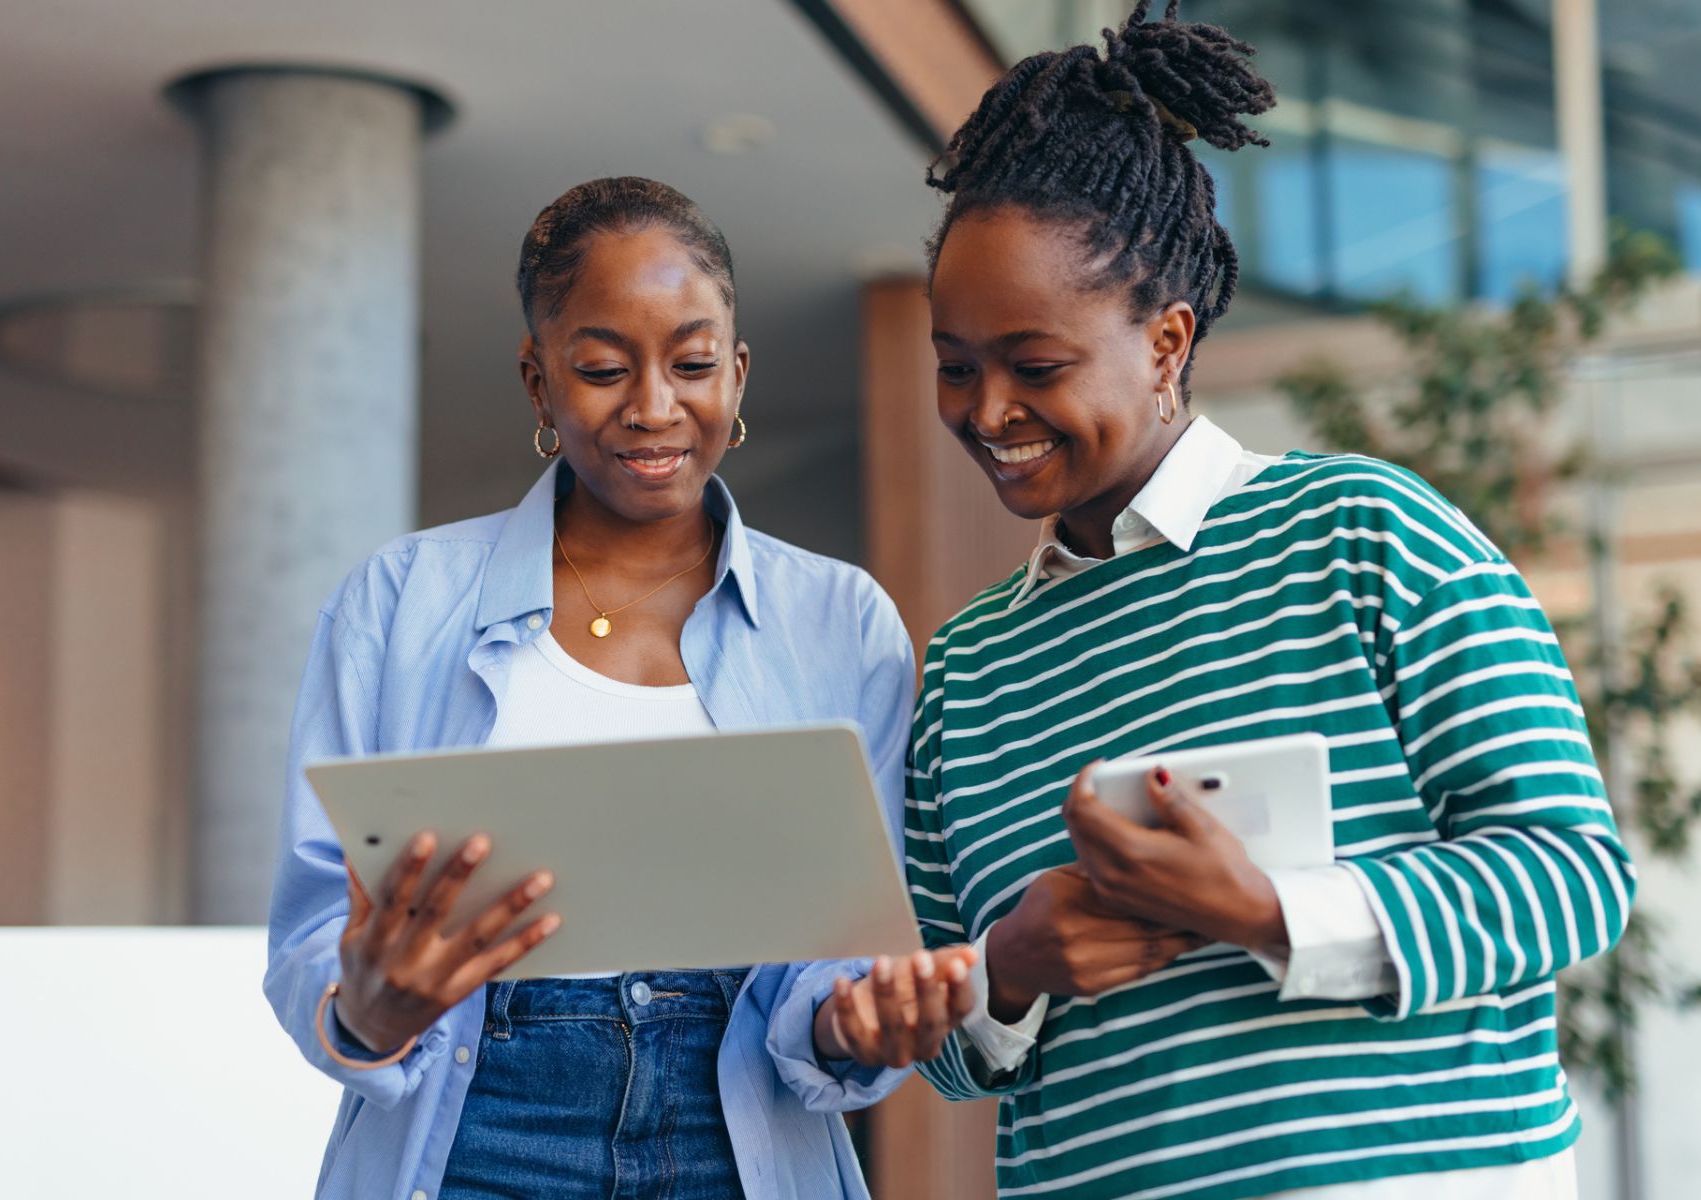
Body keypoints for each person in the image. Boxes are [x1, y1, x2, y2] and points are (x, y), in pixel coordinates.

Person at [900, 4, 1633, 1198]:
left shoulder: (1365, 533)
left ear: (1167, 341)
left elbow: (1570, 873)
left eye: (1036, 367)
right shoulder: (968, 670)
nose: (987, 412)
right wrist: (1008, 971)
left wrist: (1271, 912)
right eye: (955, 364)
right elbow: (943, 1047)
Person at [265, 176, 975, 1200]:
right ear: (538, 381)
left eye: (692, 364)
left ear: (736, 373)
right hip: (477, 1127)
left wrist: (851, 1024)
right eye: (602, 368)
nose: (653, 407)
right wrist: (365, 1012)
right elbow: (310, 932)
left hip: (737, 1135)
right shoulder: (399, 601)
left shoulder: (842, 621)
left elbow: (845, 952)